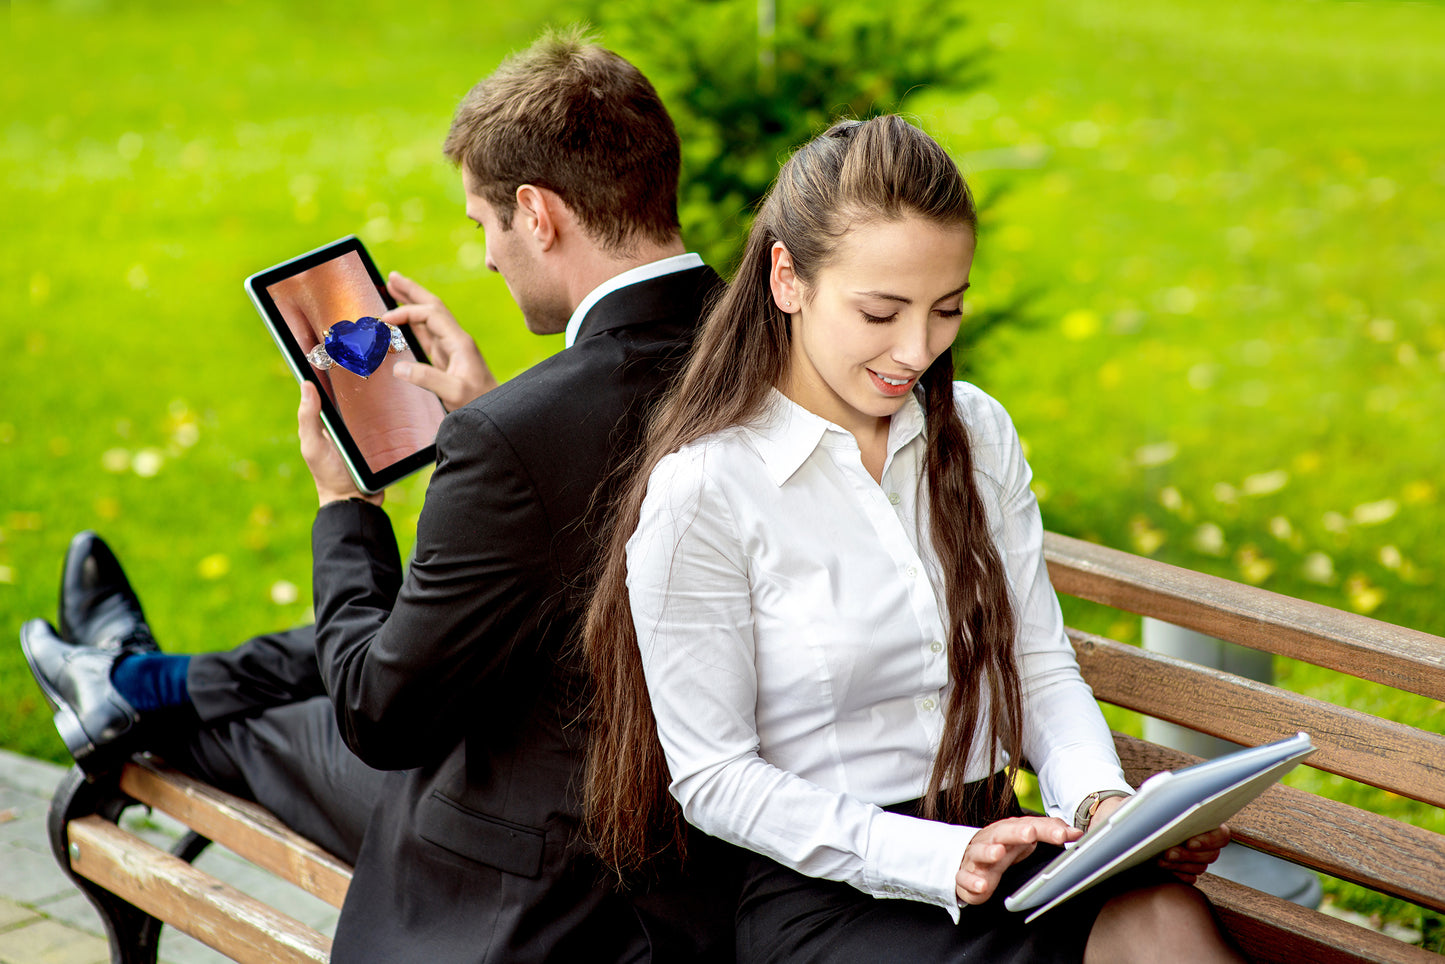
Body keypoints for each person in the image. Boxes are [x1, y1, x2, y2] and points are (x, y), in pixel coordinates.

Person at [21, 28, 733, 963]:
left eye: (484, 225)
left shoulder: (522, 437)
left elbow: (379, 713)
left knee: (283, 719)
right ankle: (129, 679)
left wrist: (345, 509)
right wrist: (495, 415)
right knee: (359, 650)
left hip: (549, 878)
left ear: (538, 212)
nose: (485, 259)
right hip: (700, 842)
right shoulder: (760, 354)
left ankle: (131, 692)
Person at [584, 115, 1244, 963]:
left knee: (1163, 925)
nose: (916, 349)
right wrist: (935, 858)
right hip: (831, 895)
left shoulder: (974, 432)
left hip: (1015, 849)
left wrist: (1101, 811)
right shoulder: (706, 489)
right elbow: (712, 777)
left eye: (946, 310)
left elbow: (1037, 665)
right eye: (880, 311)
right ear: (787, 278)